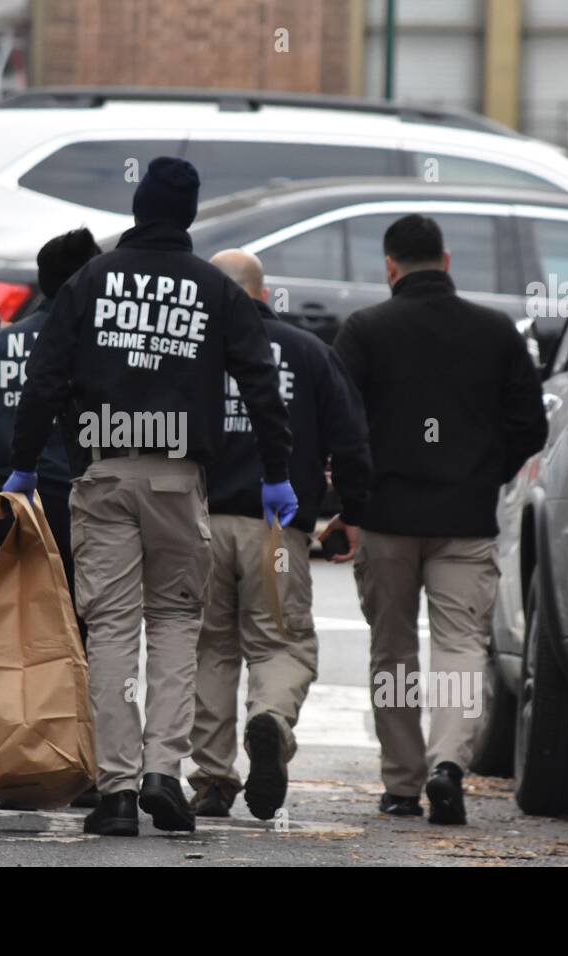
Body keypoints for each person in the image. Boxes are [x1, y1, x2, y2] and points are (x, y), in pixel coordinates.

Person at [7, 157, 295, 836]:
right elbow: (259, 379)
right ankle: (165, 773)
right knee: (173, 623)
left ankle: (114, 792)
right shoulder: (214, 289)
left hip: (104, 472)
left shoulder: (89, 280)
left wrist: (22, 465)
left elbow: (44, 376)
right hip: (179, 476)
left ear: (136, 208)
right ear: (190, 216)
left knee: (109, 628)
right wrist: (276, 471)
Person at [324, 214, 547, 825]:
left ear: (390, 266)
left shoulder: (366, 329)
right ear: (446, 262)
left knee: (392, 649)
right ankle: (449, 765)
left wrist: (350, 502)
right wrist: (482, 470)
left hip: (386, 518)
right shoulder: (495, 330)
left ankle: (402, 783)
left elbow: (339, 424)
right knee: (459, 645)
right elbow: (531, 425)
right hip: (466, 517)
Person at [188, 249, 372, 821]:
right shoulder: (309, 353)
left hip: (199, 525)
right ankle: (269, 719)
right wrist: (354, 510)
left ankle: (213, 778)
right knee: (282, 642)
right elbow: (350, 438)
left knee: (208, 649)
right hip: (278, 531)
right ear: (263, 294)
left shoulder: (190, 350)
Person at [0, 228, 102, 630]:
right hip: (88, 509)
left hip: (10, 508)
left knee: (16, 636)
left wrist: (0, 453)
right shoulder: (104, 349)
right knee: (89, 632)